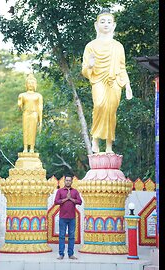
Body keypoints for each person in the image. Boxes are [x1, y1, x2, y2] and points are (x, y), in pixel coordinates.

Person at [81, 8, 133, 154]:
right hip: (98, 80)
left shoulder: (118, 46)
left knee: (111, 111)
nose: (106, 24)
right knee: (99, 105)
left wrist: (127, 85)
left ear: (114, 25)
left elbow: (122, 67)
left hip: (114, 81)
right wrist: (90, 65)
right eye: (102, 21)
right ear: (96, 25)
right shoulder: (91, 46)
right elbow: (85, 71)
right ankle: (95, 139)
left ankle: (109, 146)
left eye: (109, 22)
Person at [54, 176, 82, 259]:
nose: (68, 182)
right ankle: (61, 254)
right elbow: (56, 202)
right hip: (62, 217)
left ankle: (71, 254)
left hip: (72, 217)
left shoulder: (75, 191)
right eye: (66, 180)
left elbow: (80, 202)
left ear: (72, 182)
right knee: (62, 236)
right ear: (64, 181)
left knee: (72, 236)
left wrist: (71, 199)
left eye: (69, 180)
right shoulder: (60, 191)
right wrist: (66, 199)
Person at [18, 74, 43, 153]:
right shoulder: (22, 95)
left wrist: (40, 120)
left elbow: (40, 108)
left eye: (32, 83)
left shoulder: (38, 96)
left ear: (35, 84)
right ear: (26, 84)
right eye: (29, 83)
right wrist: (19, 104)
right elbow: (20, 108)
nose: (30, 85)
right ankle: (25, 147)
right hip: (26, 113)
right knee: (26, 130)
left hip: (34, 114)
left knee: (32, 131)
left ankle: (32, 148)